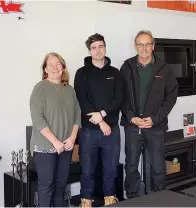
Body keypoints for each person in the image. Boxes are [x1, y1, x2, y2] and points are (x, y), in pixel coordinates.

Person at [120, 30, 178, 199]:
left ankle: (160, 199)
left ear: (153, 46)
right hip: (133, 126)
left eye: (147, 44)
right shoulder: (127, 67)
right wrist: (131, 117)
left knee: (158, 167)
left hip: (156, 127)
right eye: (140, 44)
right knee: (131, 166)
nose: (144, 48)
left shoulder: (164, 69)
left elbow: (171, 97)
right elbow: (120, 96)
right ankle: (132, 198)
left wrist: (155, 119)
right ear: (135, 46)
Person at [74, 33, 125, 207]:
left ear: (105, 47)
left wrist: (103, 115)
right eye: (94, 48)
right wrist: (100, 122)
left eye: (101, 46)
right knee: (87, 170)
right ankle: (86, 202)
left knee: (110, 170)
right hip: (89, 132)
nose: (98, 51)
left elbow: (119, 99)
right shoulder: (81, 73)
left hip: (112, 131)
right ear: (89, 51)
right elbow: (82, 100)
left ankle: (110, 200)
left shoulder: (115, 73)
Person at [29, 52, 81, 207]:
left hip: (65, 146)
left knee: (61, 186)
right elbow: (38, 119)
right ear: (45, 69)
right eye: (50, 64)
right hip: (46, 147)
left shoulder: (69, 89)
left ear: (63, 67)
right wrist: (55, 142)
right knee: (46, 187)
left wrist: (72, 138)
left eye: (58, 63)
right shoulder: (40, 89)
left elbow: (77, 115)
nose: (54, 67)